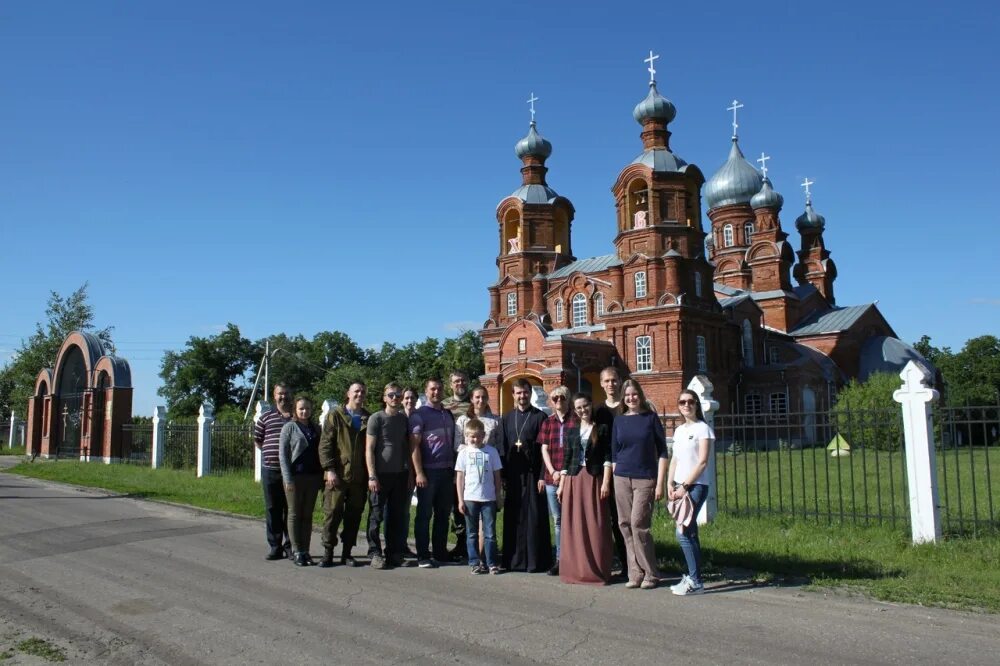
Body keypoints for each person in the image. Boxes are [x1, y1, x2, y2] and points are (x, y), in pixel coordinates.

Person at [611, 378, 668, 589]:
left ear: (640, 395)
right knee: (624, 525)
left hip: (645, 478)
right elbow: (614, 453)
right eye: (627, 395)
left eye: (634, 394)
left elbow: (662, 451)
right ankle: (634, 573)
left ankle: (651, 573)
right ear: (623, 399)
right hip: (622, 477)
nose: (631, 398)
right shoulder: (619, 420)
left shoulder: (650, 418)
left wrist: (660, 482)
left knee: (638, 524)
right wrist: (616, 476)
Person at [556, 392, 613, 585]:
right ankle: (575, 570)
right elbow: (566, 459)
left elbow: (607, 456)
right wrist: (562, 486)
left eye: (585, 406)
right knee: (574, 524)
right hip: (574, 479)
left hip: (594, 479)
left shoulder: (602, 429)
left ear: (591, 405)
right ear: (574, 410)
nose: (583, 410)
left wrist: (606, 482)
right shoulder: (572, 431)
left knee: (595, 523)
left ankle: (596, 570)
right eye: (578, 407)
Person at [496, 378, 551, 573]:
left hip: (534, 475)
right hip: (513, 475)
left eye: (525, 392)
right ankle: (513, 561)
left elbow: (546, 450)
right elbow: (502, 447)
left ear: (530, 393)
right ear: (513, 395)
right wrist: (502, 475)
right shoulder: (507, 418)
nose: (522, 396)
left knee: (535, 517)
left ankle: (536, 561)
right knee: (515, 517)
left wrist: (543, 475)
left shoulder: (540, 417)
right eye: (518, 393)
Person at [318, 381, 370, 568]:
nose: (359, 394)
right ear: (348, 393)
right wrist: (329, 469)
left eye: (363, 392)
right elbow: (325, 444)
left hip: (359, 477)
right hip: (337, 475)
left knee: (354, 515)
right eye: (356, 391)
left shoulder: (367, 417)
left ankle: (347, 553)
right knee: (332, 514)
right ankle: (328, 552)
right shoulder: (336, 415)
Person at [668, 389, 714, 596]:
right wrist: (670, 483)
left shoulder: (703, 429)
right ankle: (695, 577)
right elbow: (675, 459)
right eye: (682, 402)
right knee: (691, 532)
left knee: (683, 532)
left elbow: (703, 462)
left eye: (690, 402)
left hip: (695, 487)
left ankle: (695, 581)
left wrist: (684, 486)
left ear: (696, 404)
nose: (686, 405)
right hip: (678, 485)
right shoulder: (679, 431)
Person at [409, 378, 456, 568]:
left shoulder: (447, 413)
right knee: (424, 514)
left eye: (439, 388)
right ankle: (423, 555)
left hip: (447, 471)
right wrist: (419, 472)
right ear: (426, 391)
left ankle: (440, 551)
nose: (436, 392)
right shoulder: (419, 415)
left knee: (443, 514)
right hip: (428, 471)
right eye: (432, 389)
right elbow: (414, 447)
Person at [365, 382, 412, 570]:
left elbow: (406, 447)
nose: (395, 398)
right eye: (391, 395)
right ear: (384, 397)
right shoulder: (376, 418)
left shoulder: (402, 419)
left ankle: (393, 553)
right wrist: (372, 475)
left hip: (400, 475)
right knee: (376, 515)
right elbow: (369, 448)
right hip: (380, 476)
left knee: (396, 516)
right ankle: (375, 552)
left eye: (398, 395)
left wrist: (409, 473)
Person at [455, 418, 503, 575]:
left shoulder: (492, 452)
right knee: (472, 533)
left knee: (490, 533)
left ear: (484, 435)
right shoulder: (464, 453)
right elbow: (460, 478)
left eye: (478, 436)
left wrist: (498, 495)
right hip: (470, 498)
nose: (475, 439)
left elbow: (497, 476)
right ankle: (474, 562)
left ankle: (491, 563)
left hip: (488, 498)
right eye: (471, 436)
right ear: (466, 436)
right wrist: (460, 500)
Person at [278, 397, 322, 566]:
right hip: (294, 478)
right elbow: (283, 455)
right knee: (294, 514)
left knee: (307, 515)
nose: (305, 411)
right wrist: (287, 478)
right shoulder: (289, 427)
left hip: (312, 478)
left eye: (308, 408)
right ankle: (296, 551)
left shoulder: (316, 428)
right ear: (295, 410)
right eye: (301, 408)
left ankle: (306, 550)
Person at [593, 367, 628, 574]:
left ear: (620, 382)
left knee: (626, 520)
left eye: (614, 380)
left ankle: (633, 564)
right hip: (605, 472)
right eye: (606, 381)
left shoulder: (627, 406)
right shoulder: (599, 412)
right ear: (601, 384)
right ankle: (616, 563)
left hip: (627, 469)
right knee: (610, 520)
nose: (611, 384)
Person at [253, 382, 294, 561]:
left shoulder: (297, 417)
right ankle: (275, 546)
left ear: (290, 395)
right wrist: (273, 454)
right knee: (272, 509)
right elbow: (258, 441)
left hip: (292, 473)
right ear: (274, 396)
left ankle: (291, 546)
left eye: (285, 393)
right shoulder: (265, 417)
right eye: (279, 394)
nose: (283, 397)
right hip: (270, 470)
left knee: (290, 510)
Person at [537, 385, 573, 576]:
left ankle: (574, 558)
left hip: (571, 478)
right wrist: (552, 471)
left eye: (562, 397)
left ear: (568, 399)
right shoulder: (548, 422)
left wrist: (563, 473)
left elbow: (575, 451)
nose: (559, 401)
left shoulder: (575, 421)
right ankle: (559, 559)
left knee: (572, 519)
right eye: (555, 398)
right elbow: (544, 449)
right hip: (552, 478)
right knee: (558, 520)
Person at [442, 371, 472, 561]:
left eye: (463, 380)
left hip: (469, 463)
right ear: (450, 384)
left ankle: (469, 544)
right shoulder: (444, 405)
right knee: (454, 504)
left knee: (469, 502)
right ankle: (459, 543)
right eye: (456, 381)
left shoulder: (475, 402)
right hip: (448, 461)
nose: (459, 383)